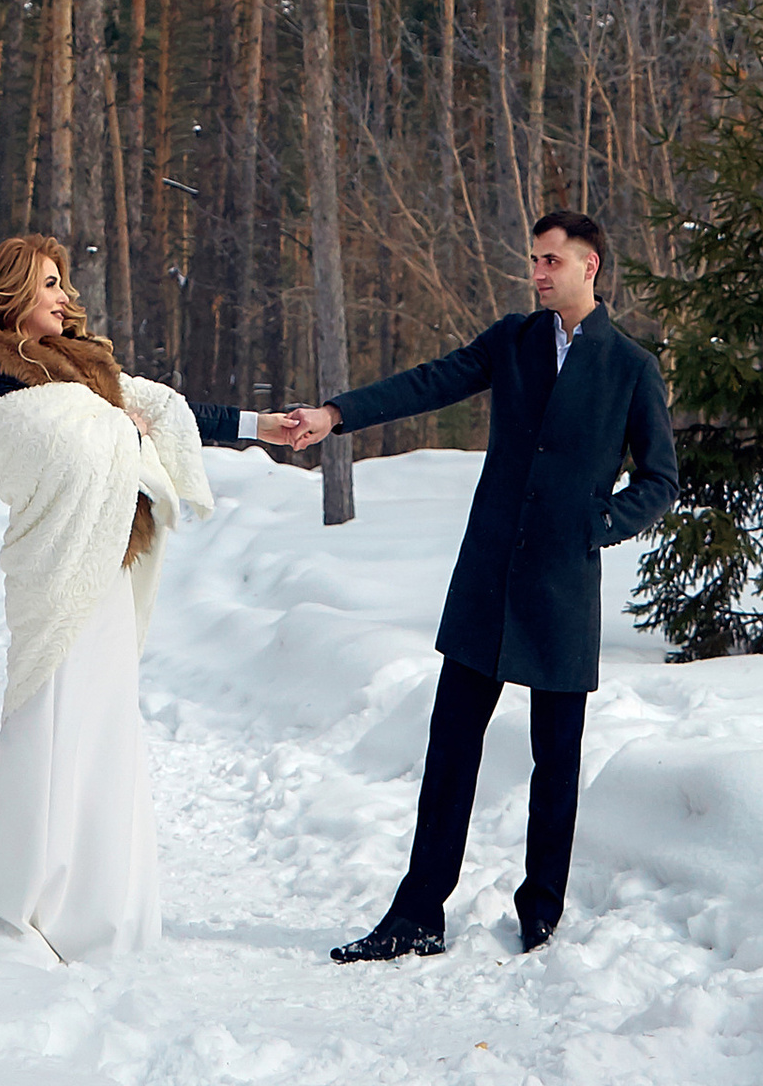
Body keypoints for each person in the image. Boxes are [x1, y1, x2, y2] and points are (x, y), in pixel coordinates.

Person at [265, 209, 676, 962]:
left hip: (562, 585)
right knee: (451, 747)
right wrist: (334, 413)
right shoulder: (512, 342)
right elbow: (428, 383)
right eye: (535, 259)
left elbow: (660, 480)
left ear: (591, 268)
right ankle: (418, 913)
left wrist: (597, 524)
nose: (539, 272)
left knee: (557, 761)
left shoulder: (629, 367)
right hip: (488, 578)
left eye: (553, 260)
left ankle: (542, 916)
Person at [0, 232, 219, 963]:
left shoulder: (81, 368)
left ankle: (95, 904)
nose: (66, 296)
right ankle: (5, 886)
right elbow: (60, 448)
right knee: (44, 723)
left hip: (107, 566)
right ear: (11, 296)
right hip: (58, 571)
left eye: (64, 282)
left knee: (99, 728)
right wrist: (114, 430)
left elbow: (163, 412)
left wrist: (265, 427)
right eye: (49, 285)